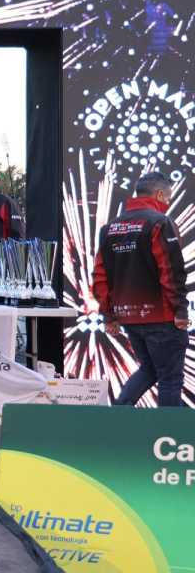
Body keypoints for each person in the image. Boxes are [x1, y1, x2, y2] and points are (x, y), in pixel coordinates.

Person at [94, 172, 190, 407]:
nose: (168, 203)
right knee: (170, 378)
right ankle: (169, 429)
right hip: (163, 317)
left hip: (130, 318)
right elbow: (170, 271)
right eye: (168, 198)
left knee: (150, 369)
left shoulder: (109, 228)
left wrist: (109, 315)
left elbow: (100, 277)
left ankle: (118, 412)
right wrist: (180, 310)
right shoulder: (159, 222)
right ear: (159, 195)